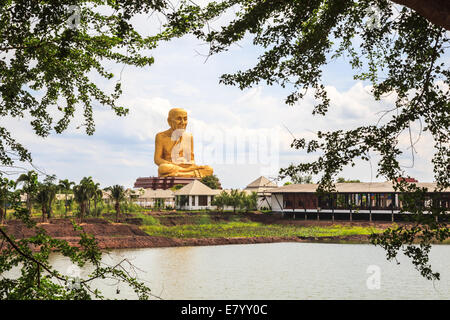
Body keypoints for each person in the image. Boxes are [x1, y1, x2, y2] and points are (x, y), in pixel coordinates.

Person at [154, 108, 213, 178]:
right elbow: (157, 159)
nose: (183, 122)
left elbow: (191, 159)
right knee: (163, 168)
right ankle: (192, 174)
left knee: (209, 169)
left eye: (185, 119)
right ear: (169, 121)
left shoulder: (188, 136)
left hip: (186, 168)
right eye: (179, 119)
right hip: (171, 166)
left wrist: (190, 165)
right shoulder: (161, 136)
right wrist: (173, 165)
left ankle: (180, 175)